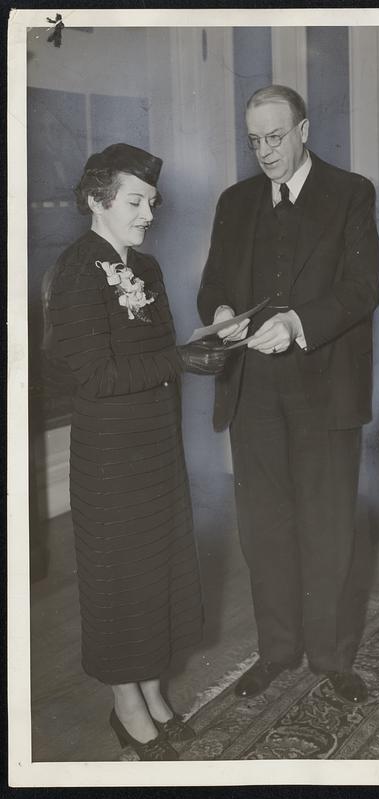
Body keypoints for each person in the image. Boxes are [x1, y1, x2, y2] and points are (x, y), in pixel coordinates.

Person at [198, 85, 379, 703]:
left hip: (325, 389)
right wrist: (223, 311)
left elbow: (363, 289)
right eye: (254, 140)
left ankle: (331, 658)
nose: (265, 151)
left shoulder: (351, 193)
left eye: (275, 137)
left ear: (304, 130)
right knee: (264, 529)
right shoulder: (235, 200)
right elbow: (212, 287)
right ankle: (277, 650)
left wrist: (299, 324)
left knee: (327, 526)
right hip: (251, 391)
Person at [43, 143, 225, 760]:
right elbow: (92, 376)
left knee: (158, 573)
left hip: (156, 448)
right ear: (97, 201)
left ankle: (151, 690)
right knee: (119, 578)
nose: (149, 213)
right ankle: (125, 706)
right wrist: (179, 359)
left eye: (152, 201)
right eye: (135, 201)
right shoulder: (74, 270)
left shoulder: (145, 269)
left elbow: (160, 355)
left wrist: (203, 350)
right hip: (111, 456)